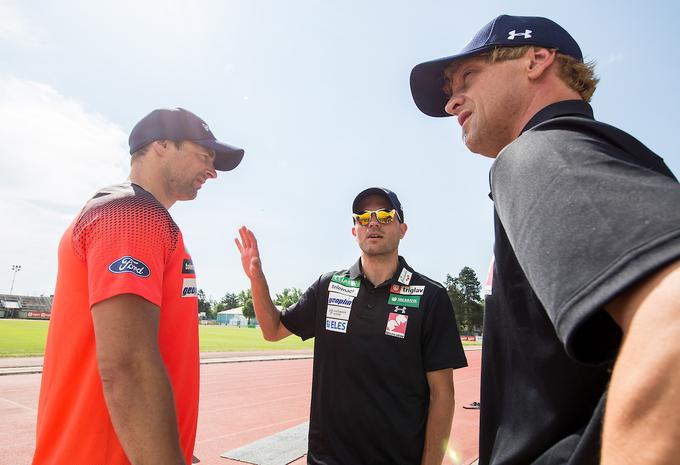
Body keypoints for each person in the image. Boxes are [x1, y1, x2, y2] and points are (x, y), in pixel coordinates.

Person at [410, 14, 680, 465]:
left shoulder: (539, 155)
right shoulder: (609, 155)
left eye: (468, 77)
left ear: (536, 59)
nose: (453, 103)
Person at [32, 107, 244, 465]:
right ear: (161, 144)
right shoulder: (131, 213)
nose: (211, 171)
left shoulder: (144, 218)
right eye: (204, 155)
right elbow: (127, 366)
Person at [235, 187, 468, 465]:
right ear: (354, 230)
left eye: (384, 215)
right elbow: (272, 330)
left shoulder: (430, 296)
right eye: (363, 217)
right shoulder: (328, 287)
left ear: (402, 229)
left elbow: (443, 394)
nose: (373, 223)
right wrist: (256, 277)